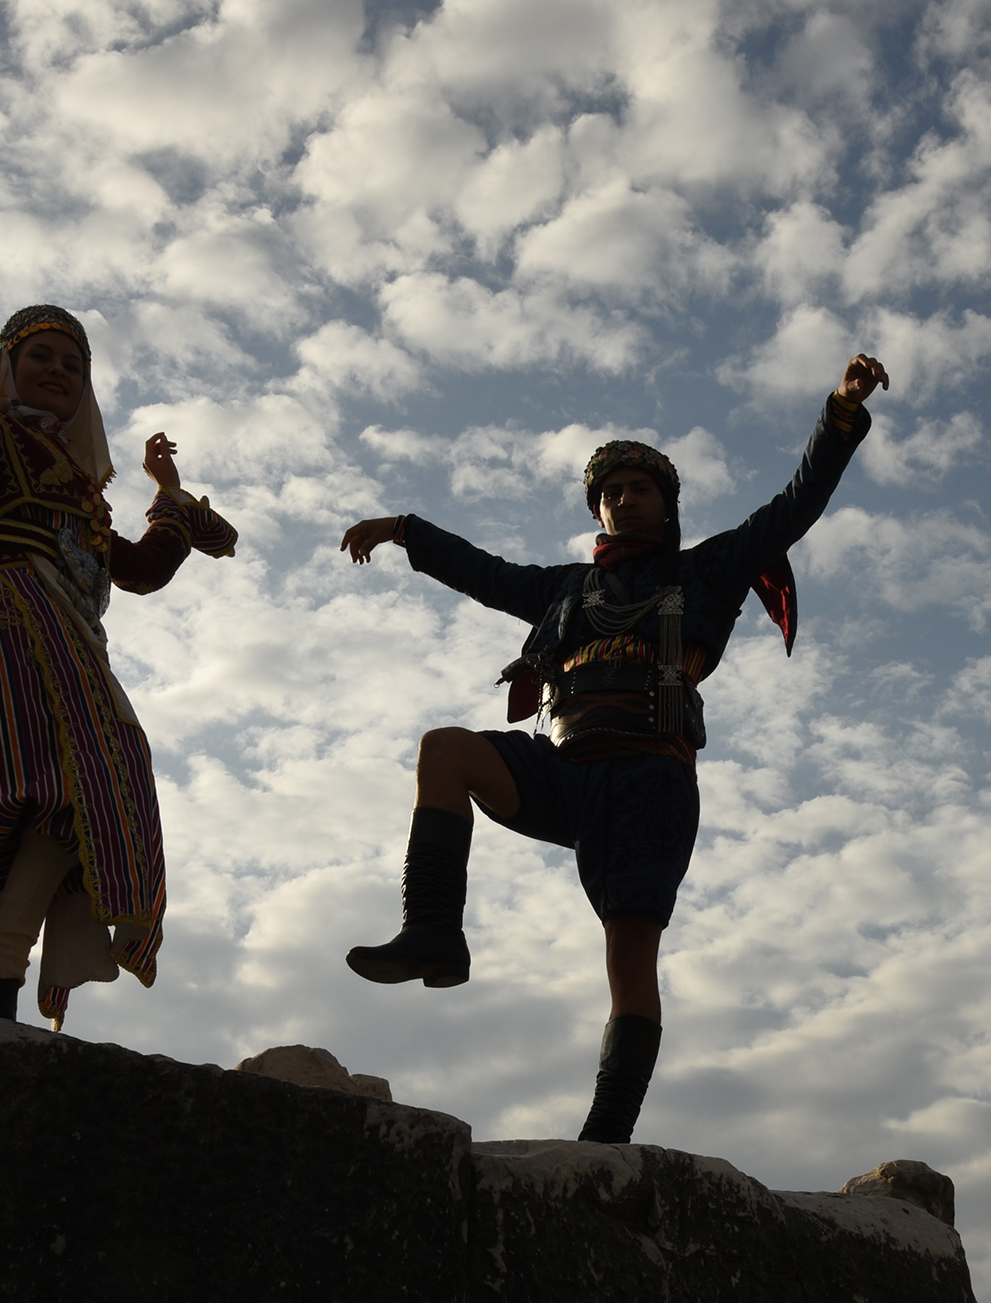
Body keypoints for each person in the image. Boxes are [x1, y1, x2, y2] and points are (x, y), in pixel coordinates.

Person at [339, 353, 889, 1142]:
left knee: (629, 962)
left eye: (639, 489)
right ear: (597, 511)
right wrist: (403, 531)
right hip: (566, 769)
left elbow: (795, 506)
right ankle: (433, 927)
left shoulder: (709, 569)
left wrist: (839, 411)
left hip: (649, 781)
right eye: (609, 493)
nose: (623, 500)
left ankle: (607, 1132)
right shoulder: (564, 589)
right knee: (446, 750)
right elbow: (481, 571)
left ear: (667, 505)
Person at [0, 218, 238, 1027]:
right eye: (42, 357)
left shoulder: (84, 494)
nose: (60, 372)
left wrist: (172, 499)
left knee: (88, 790)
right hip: (3, 621)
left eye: (74, 365)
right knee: (76, 768)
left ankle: (2, 946)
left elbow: (138, 571)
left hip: (68, 641)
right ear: (7, 368)